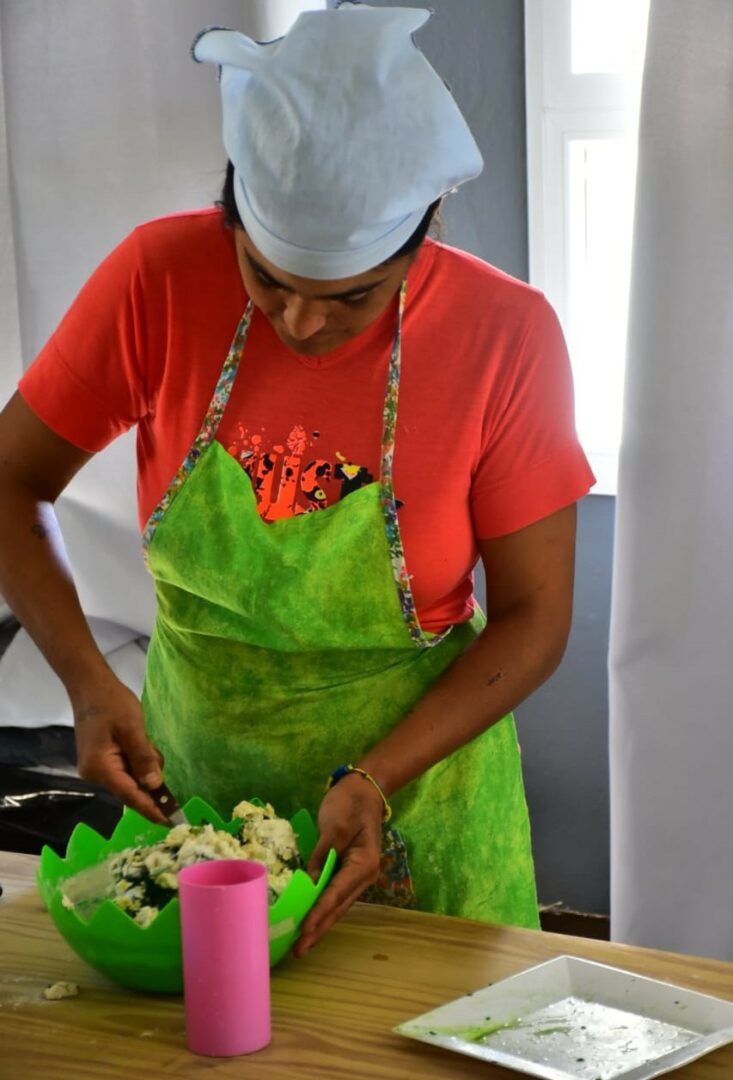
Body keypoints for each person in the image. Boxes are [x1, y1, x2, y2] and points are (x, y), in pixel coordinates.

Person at [0, 3, 594, 954]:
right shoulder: (158, 278)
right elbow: (11, 479)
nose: (302, 324)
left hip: (415, 799)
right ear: (231, 215)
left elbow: (534, 617)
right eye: (266, 276)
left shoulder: (504, 336)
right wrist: (87, 682)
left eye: (352, 296)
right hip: (198, 786)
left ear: (421, 237)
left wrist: (376, 775)